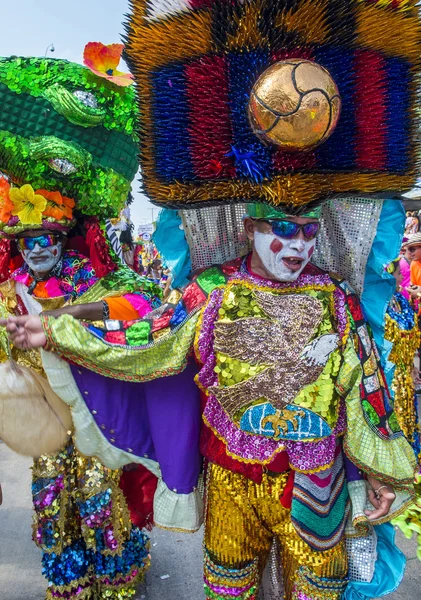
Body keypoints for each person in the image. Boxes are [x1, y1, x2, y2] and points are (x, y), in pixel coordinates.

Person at [4, 1, 421, 598]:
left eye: (304, 231)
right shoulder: (212, 290)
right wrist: (61, 332)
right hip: (231, 482)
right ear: (249, 228)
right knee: (229, 589)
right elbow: (146, 342)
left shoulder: (336, 301)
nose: (295, 245)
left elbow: (368, 390)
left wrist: (382, 472)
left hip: (315, 487)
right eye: (279, 229)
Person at [0, 47, 163, 599]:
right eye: (30, 241)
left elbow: (141, 306)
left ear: (64, 236)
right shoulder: (7, 291)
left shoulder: (91, 276)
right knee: (51, 507)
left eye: (48, 238)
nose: (40, 249)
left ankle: (116, 580)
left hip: (97, 422)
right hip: (44, 425)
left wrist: (71, 315)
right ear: (17, 244)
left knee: (98, 500)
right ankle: (67, 585)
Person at [385, 259, 421, 458]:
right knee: (394, 419)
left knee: (409, 416)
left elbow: (412, 334)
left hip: (406, 375)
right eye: (399, 273)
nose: (402, 277)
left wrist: (413, 364)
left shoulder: (400, 301)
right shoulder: (379, 306)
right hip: (389, 376)